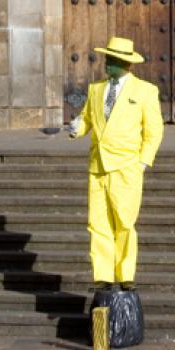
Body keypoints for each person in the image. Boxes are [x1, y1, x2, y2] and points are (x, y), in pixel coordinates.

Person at [69, 36, 164, 292]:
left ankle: (125, 274)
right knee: (97, 223)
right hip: (98, 165)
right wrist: (77, 128)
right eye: (106, 58)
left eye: (111, 60)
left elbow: (153, 131)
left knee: (124, 222)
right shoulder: (96, 89)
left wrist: (144, 161)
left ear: (124, 63)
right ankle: (102, 275)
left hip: (126, 166)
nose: (106, 64)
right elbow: (87, 119)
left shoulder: (144, 91)